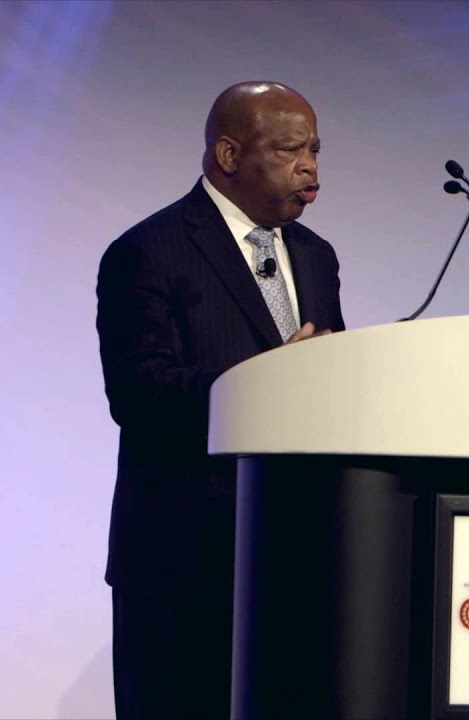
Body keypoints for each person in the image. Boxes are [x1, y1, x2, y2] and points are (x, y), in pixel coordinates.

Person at [95, 81, 345, 718]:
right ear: (229, 155)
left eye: (315, 148)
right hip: (184, 559)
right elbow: (139, 392)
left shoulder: (316, 257)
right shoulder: (147, 252)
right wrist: (266, 376)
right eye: (290, 149)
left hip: (293, 551)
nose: (310, 165)